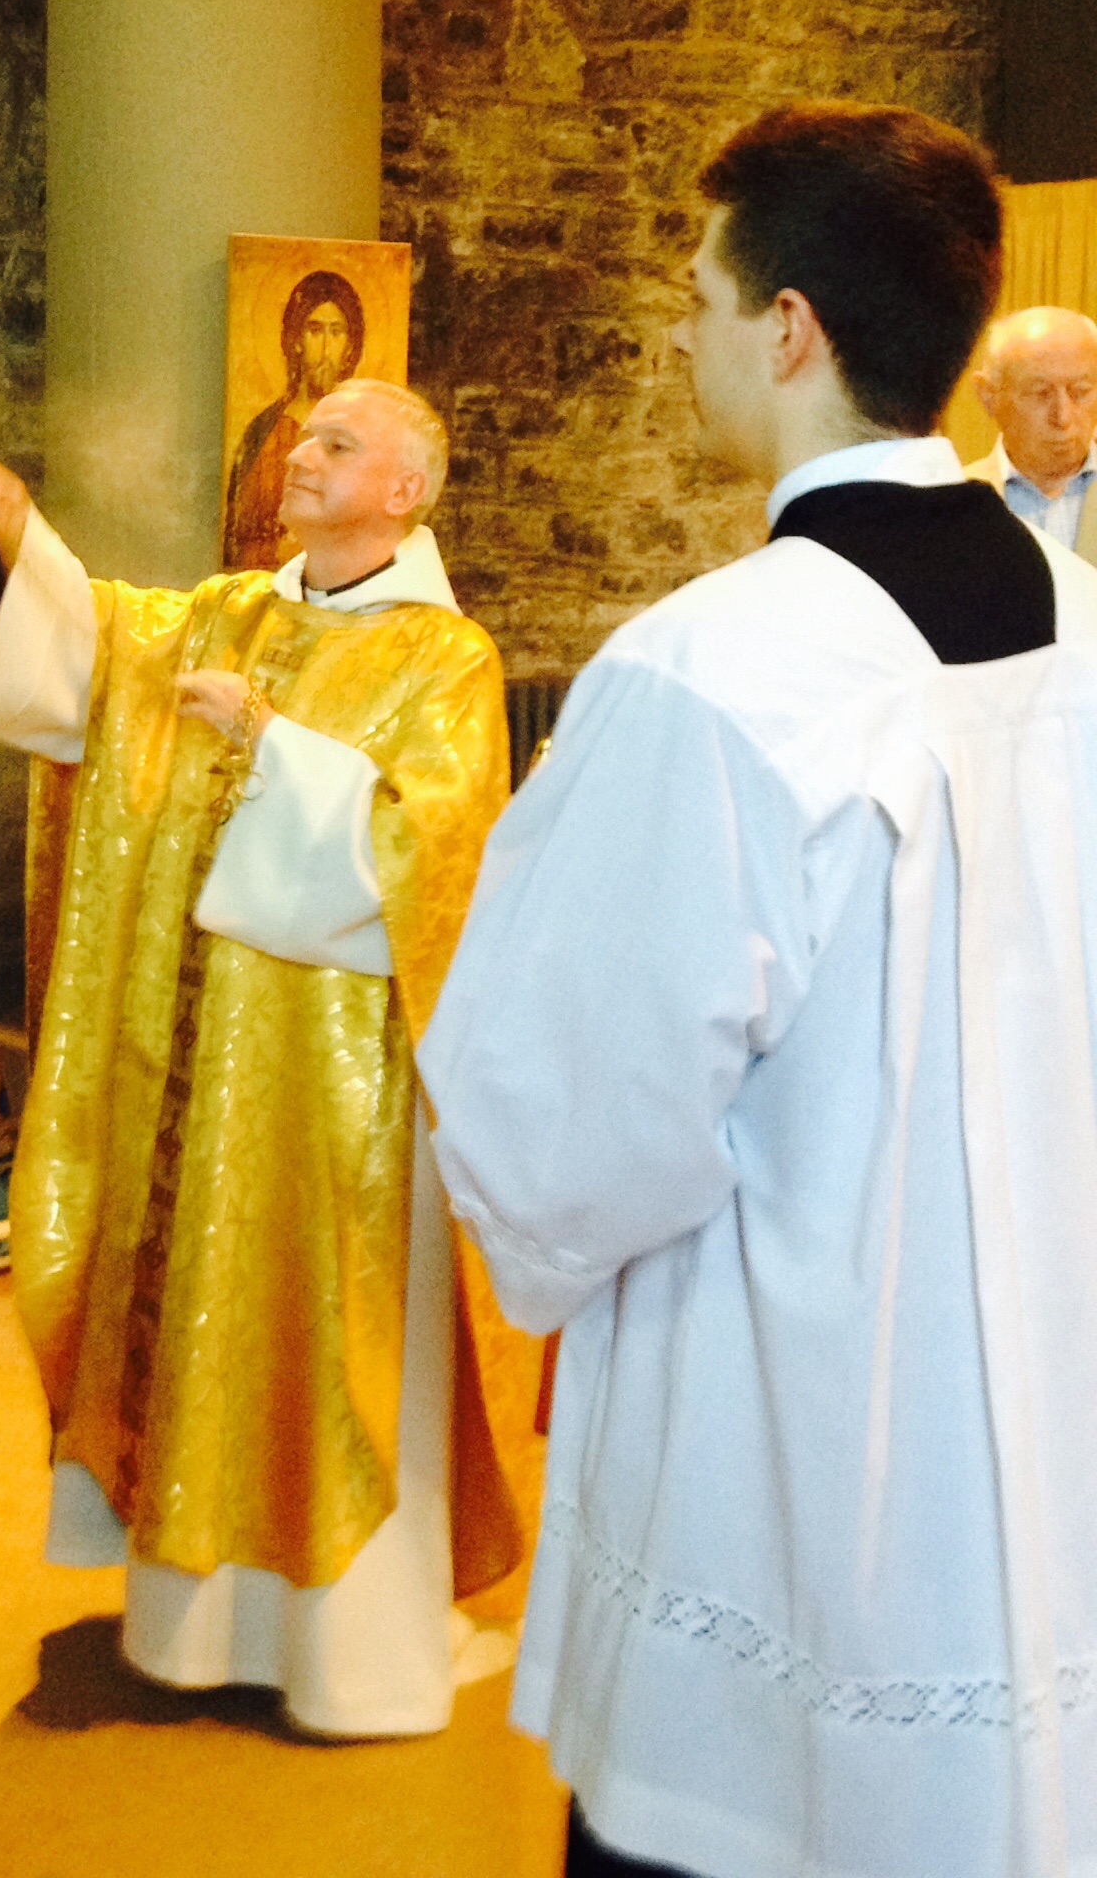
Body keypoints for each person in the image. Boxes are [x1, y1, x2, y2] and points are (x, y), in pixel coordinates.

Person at [419, 103, 1097, 1878]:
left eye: (695, 294)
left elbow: (555, 1123)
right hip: (1044, 1410)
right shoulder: (1083, 620)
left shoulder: (711, 672)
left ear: (787, 328)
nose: (676, 335)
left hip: (793, 1436)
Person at [0, 380, 520, 1737]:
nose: (298, 456)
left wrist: (268, 742)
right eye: (300, 438)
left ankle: (350, 1656)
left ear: (404, 492)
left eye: (336, 444)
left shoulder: (447, 659)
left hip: (335, 1082)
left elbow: (430, 849)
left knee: (323, 1338)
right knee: (193, 1305)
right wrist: (19, 546)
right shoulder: (223, 613)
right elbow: (93, 661)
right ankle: (195, 1634)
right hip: (191, 1069)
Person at [223, 269, 366, 568]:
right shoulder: (264, 431)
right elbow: (238, 540)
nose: (325, 349)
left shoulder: (364, 430)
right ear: (297, 339)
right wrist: (280, 551)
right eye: (315, 330)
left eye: (336, 332)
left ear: (350, 345)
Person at [963, 303, 1097, 559]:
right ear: (989, 395)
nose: (1063, 417)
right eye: (1041, 393)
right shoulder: (953, 504)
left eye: (1080, 392)